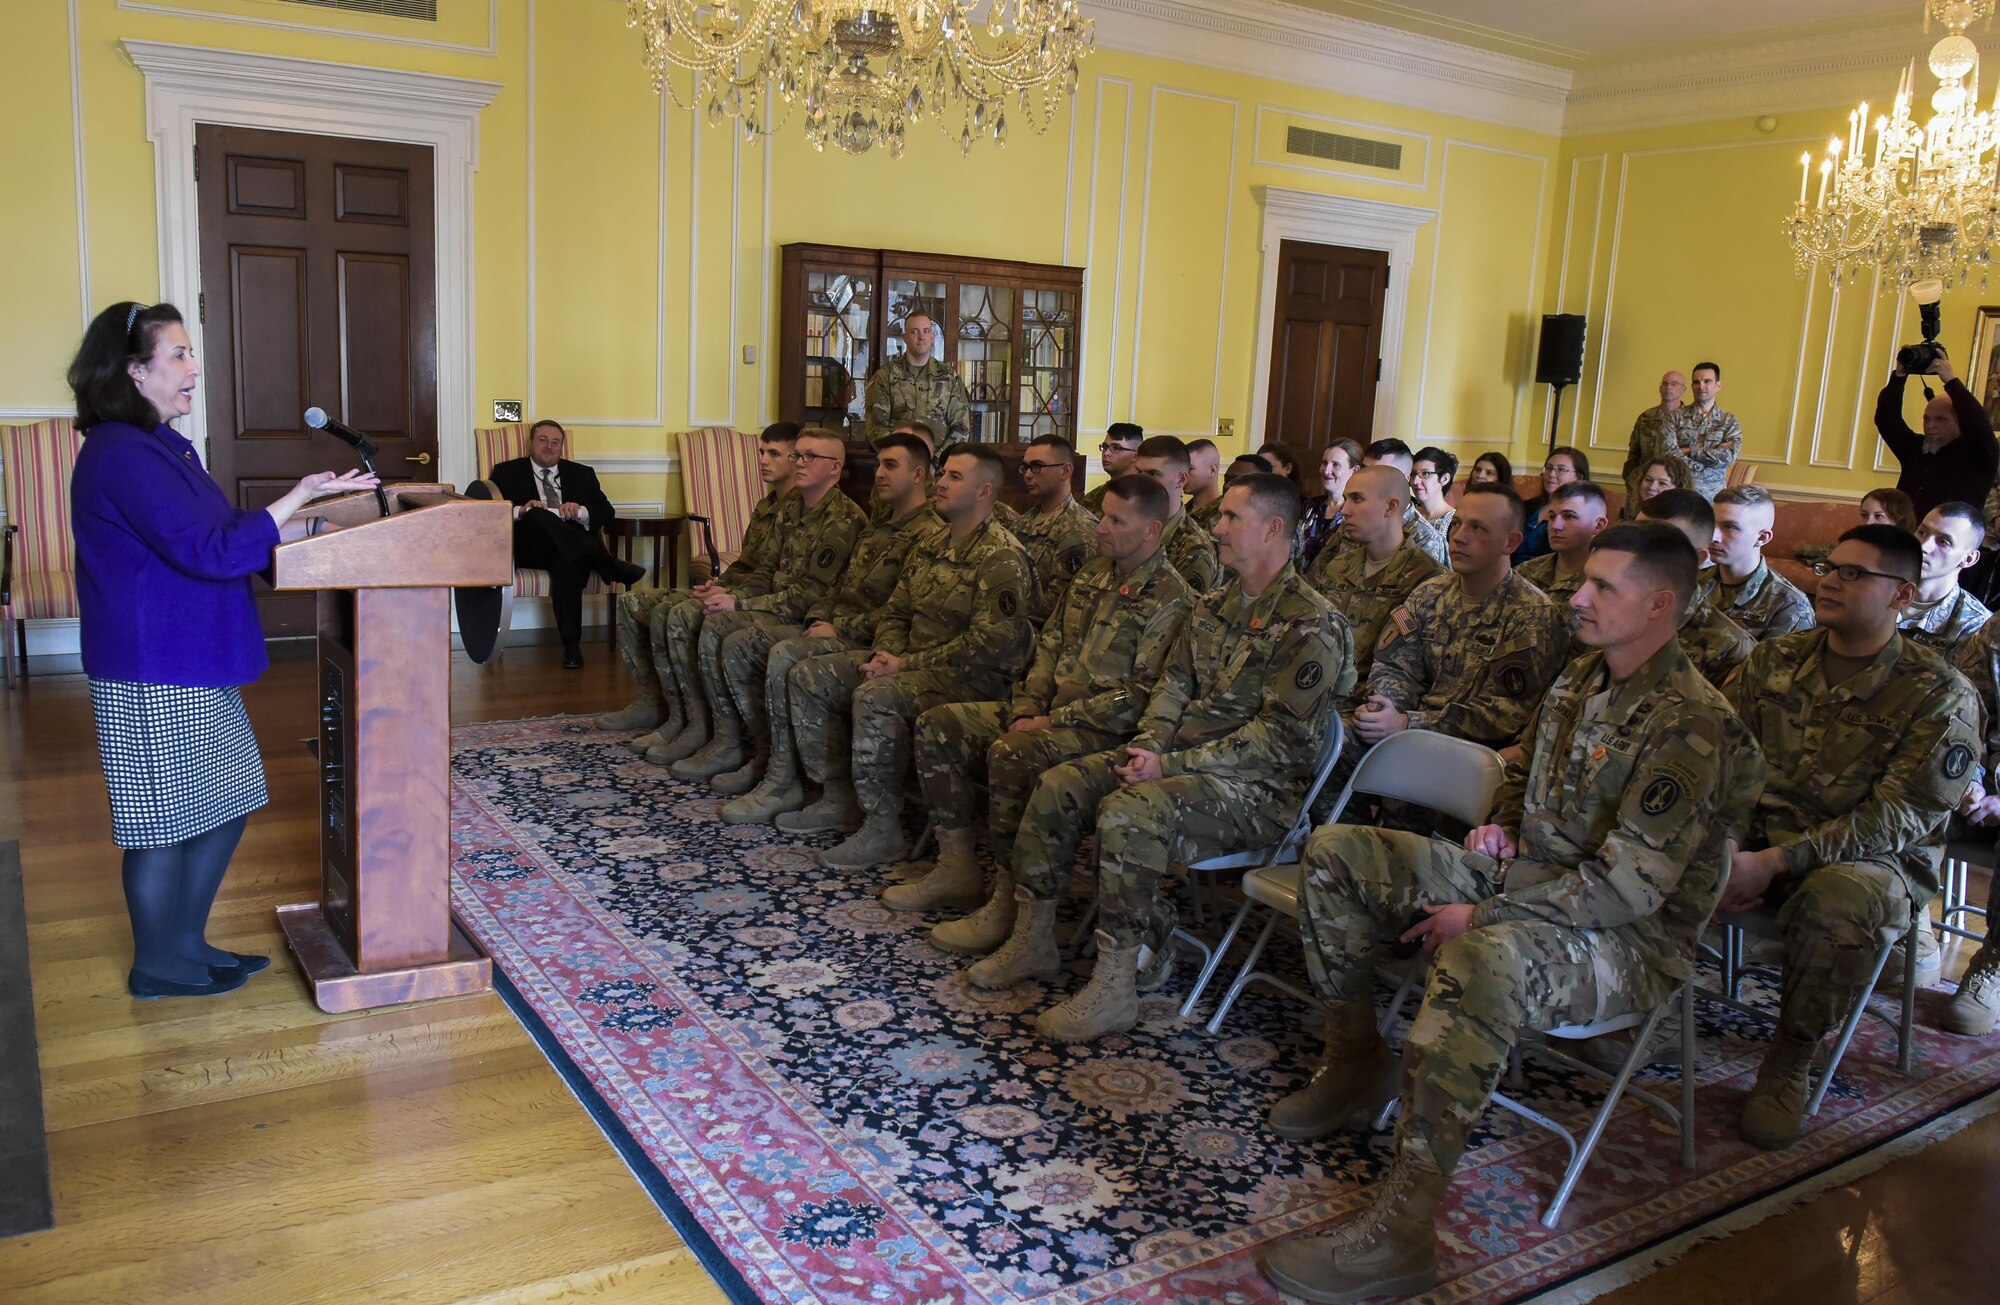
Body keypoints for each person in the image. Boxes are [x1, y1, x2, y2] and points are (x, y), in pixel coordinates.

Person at [1260, 523, 1763, 1302]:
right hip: (1530, 880)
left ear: (1661, 603)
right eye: (1582, 580)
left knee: (1477, 959)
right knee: (1337, 851)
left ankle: (1401, 1235)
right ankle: (1358, 1057)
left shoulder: (1691, 724)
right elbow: (1527, 780)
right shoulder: (1581, 681)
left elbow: (1627, 889)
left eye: (1603, 587)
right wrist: (1506, 819)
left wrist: (1486, 910)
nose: (1579, 597)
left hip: (1624, 938)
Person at [68, 301, 379, 999]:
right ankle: (156, 964)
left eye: (189, 353)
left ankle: (184, 943)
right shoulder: (121, 453)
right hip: (153, 666)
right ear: (132, 370)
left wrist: (309, 512)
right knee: (160, 824)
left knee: (228, 795)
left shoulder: (163, 448)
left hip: (193, 657)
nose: (193, 369)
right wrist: (293, 497)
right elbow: (208, 549)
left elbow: (222, 528)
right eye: (177, 355)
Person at [971, 474, 1352, 1042]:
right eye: (1218, 516)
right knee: (1060, 785)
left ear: (1273, 529)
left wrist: (1166, 767)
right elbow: (1171, 687)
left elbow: (1279, 741)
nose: (1214, 527)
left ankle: (1116, 986)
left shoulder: (1312, 623)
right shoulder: (1215, 604)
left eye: (1230, 518)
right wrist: (1150, 745)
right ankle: (1034, 938)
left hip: (1257, 792)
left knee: (1129, 812)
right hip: (1177, 766)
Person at [1724, 525, 1980, 1149]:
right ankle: (1625, 1005)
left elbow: (1900, 817)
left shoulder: (1939, 692)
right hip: (1759, 840)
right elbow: (1724, 764)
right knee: (1658, 847)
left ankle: (1788, 1061)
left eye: (1854, 573)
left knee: (1835, 902)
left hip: (1876, 861)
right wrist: (1729, 845)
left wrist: (1778, 860)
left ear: (1903, 595)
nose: (1830, 580)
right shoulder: (1774, 659)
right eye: (1828, 566)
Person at [893, 475, 1194, 928]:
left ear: (1152, 530)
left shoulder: (1172, 598)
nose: (1101, 527)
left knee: (1013, 752)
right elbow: (1048, 644)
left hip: (1102, 728)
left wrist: (1053, 718)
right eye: (1103, 515)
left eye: (1116, 520)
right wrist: (1028, 707)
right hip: (1047, 714)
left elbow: (1140, 696)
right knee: (940, 726)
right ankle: (957, 867)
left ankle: (1014, 902)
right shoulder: (1092, 573)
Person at [783, 445, 1036, 867]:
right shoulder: (932, 542)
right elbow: (898, 609)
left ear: (983, 491)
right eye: (943, 473)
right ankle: (836, 796)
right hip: (911, 664)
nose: (940, 482)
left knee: (875, 698)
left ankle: (883, 828)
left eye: (955, 477)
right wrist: (887, 655)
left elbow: (992, 645)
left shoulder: (1001, 557)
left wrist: (903, 667)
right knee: (812, 675)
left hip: (973, 678)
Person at [718, 434, 944, 823]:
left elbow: (897, 612)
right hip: (839, 626)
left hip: (872, 639)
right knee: (756, 643)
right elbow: (840, 586)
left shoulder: (928, 535)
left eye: (891, 466)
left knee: (787, 655)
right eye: (878, 464)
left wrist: (837, 625)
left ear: (920, 475)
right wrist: (817, 618)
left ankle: (801, 782)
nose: (878, 474)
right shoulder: (879, 527)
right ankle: (771, 766)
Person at [669, 429, 870, 786]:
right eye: (799, 455)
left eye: (810, 457)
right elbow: (763, 570)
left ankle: (758, 754)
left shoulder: (843, 520)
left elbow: (808, 596)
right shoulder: (789, 506)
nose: (800, 463)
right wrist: (728, 592)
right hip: (774, 604)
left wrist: (740, 602)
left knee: (725, 631)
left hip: (804, 615)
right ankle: (719, 734)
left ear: (835, 468)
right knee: (701, 612)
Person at [601, 423, 799, 743]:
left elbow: (776, 579)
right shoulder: (767, 505)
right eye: (761, 452)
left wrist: (731, 592)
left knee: (678, 613)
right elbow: (749, 563)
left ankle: (698, 722)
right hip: (740, 589)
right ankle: (655, 703)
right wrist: (717, 582)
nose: (763, 459)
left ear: (796, 458)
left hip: (764, 602)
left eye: (774, 453)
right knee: (633, 602)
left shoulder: (802, 511)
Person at [1358, 482, 1571, 751]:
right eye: (1456, 523)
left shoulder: (1532, 615)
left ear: (1511, 542)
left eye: (1477, 528)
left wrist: (1410, 723)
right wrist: (1386, 708)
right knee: (1325, 743)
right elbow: (1395, 665)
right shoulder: (1430, 593)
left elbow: (1503, 714)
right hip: (1404, 728)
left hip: (1469, 751)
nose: (1458, 536)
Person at [487, 419, 646, 667]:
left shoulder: (582, 474)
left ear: (561, 446)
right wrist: (522, 510)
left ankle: (571, 648)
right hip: (531, 548)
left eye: (555, 442)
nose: (549, 447)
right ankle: (605, 562)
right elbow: (489, 512)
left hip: (571, 550)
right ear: (531, 443)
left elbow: (607, 511)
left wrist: (580, 511)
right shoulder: (506, 472)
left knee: (568, 560)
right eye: (543, 440)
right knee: (538, 514)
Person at [1305, 465, 1442, 682]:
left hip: (1370, 704)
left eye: (1357, 499)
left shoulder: (1428, 579)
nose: (1344, 510)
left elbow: (1418, 673)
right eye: (1346, 499)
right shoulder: (1337, 566)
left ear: (1391, 507)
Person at [1637, 490, 1756, 685]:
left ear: (1696, 559)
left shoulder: (1731, 648)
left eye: (1657, 544)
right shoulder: (1608, 610)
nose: (1634, 552)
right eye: (1631, 535)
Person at [1947, 622, 2000, 1034]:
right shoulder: (1997, 630)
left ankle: (1993, 962)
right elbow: (1962, 712)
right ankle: (1904, 930)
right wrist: (1967, 778)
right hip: (1984, 789)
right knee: (1915, 800)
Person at [1872, 349, 1999, 521]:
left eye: (1941, 419)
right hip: (1907, 539)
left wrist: (1951, 381)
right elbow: (1886, 419)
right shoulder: (1916, 449)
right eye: (1926, 418)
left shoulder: (1978, 456)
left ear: (1959, 421)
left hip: (1950, 542)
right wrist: (1900, 375)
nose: (1930, 425)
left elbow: (1978, 422)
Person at [1701, 484, 1816, 639]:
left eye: (1729, 527)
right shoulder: (1691, 581)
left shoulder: (1789, 606)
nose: (1713, 537)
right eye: (1711, 524)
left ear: (1762, 538)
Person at [1007, 433, 1099, 624]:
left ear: (1065, 471)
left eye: (1037, 466)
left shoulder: (1079, 530)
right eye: (1025, 467)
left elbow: (1058, 607)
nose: (1028, 474)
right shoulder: (1023, 523)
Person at [860, 312, 970, 446]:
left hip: (940, 463)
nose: (921, 337)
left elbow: (961, 427)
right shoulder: (885, 376)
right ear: (905, 338)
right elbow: (876, 429)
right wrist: (903, 457)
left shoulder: (949, 377)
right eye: (914, 331)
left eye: (926, 331)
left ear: (933, 336)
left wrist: (936, 461)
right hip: (899, 462)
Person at [1131, 435, 1224, 593]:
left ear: (1181, 479)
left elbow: (1180, 611)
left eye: (1153, 474)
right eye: (1139, 472)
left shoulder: (1195, 548)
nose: (1142, 482)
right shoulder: (1131, 529)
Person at [1900, 502, 1993, 657]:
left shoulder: (1976, 627)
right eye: (1922, 532)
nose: (1923, 546)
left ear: (1969, 558)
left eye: (1943, 542)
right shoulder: (1878, 591)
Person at [1516, 480, 1610, 606]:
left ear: (1598, 525)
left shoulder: (1605, 583)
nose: (1555, 526)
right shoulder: (1525, 572)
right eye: (1552, 517)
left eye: (1569, 517)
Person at [1663, 361, 1742, 499]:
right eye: (1696, 382)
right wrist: (1708, 459)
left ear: (1718, 385)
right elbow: (1668, 455)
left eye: (1707, 381)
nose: (1701, 386)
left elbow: (1728, 457)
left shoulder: (1729, 422)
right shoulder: (1674, 418)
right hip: (1679, 495)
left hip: (1712, 499)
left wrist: (1689, 451)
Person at [1620, 369, 1688, 506]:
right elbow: (1633, 455)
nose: (1668, 387)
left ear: (1684, 389)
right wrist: (1633, 481)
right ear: (1660, 387)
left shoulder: (1691, 420)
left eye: (1674, 384)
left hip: (1673, 491)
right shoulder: (1646, 417)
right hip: (1643, 488)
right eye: (1665, 383)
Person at [1512, 445, 1589, 565]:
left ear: (1579, 477)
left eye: (1561, 469)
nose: (1551, 474)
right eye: (1548, 468)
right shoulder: (1526, 506)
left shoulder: (1579, 517)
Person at [1299, 440, 1362, 567]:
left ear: (1354, 470)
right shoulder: (1309, 506)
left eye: (1335, 465)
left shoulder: (1358, 511)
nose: (1326, 470)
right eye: (1324, 463)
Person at [1082, 422, 1143, 515]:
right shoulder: (1096, 495)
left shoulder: (1143, 497)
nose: (1106, 453)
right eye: (1105, 447)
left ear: (1135, 456)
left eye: (1116, 448)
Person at [1620, 452, 1693, 520]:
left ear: (1678, 489)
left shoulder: (1680, 525)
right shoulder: (1631, 514)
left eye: (1662, 483)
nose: (1652, 487)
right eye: (1648, 480)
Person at [1409, 446, 1458, 536]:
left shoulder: (1455, 521)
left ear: (1444, 479)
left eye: (1425, 473)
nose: (1415, 481)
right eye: (1413, 474)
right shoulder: (1408, 513)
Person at [1185, 437, 1224, 530]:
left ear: (1212, 470)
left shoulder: (1224, 516)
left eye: (1190, 469)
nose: (1183, 475)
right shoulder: (1183, 512)